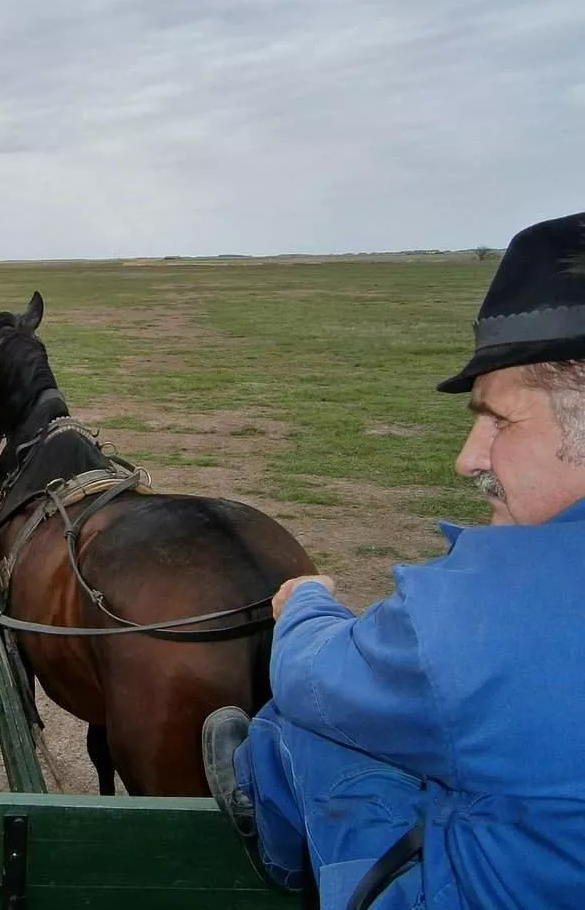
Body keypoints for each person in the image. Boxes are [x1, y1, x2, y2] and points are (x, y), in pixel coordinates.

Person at [201, 210, 585, 909]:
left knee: (296, 723)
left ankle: (278, 849)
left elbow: (309, 675)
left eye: (499, 418)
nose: (468, 456)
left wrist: (308, 602)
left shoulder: (488, 611)